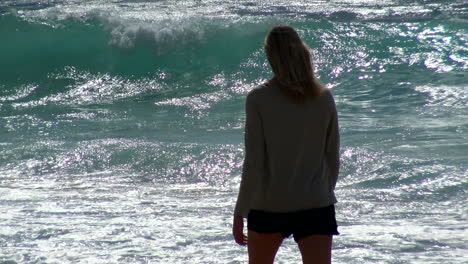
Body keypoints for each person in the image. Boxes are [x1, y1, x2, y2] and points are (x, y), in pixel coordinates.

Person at [232, 25, 340, 264]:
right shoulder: (323, 97)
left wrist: (240, 211)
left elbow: (255, 163)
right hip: (316, 204)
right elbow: (332, 156)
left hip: (269, 205)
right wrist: (321, 192)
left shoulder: (258, 98)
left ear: (270, 55)